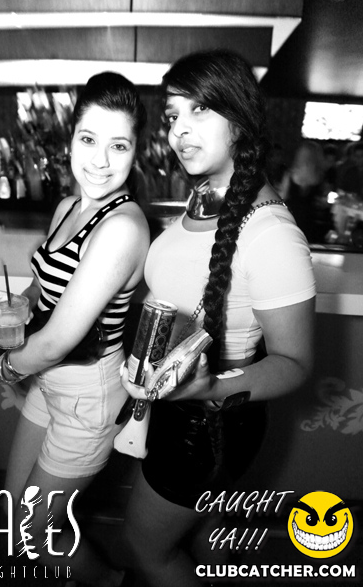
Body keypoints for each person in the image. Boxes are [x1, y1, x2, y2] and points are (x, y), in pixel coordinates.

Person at [120, 50, 316, 587]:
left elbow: (295, 363)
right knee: (203, 540)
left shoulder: (272, 235)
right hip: (177, 409)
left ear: (240, 117)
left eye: (199, 109)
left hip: (206, 425)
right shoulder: (207, 195)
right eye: (172, 115)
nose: (178, 130)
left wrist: (209, 388)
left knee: (145, 547)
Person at [0, 72, 150, 587]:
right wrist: (16, 304)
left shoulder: (122, 228)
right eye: (89, 139)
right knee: (13, 512)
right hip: (50, 382)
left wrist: (3, 367)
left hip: (87, 392)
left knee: (32, 531)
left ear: (136, 151)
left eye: (118, 145)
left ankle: (108, 581)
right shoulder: (68, 207)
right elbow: (43, 287)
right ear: (70, 139)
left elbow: (56, 341)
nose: (100, 160)